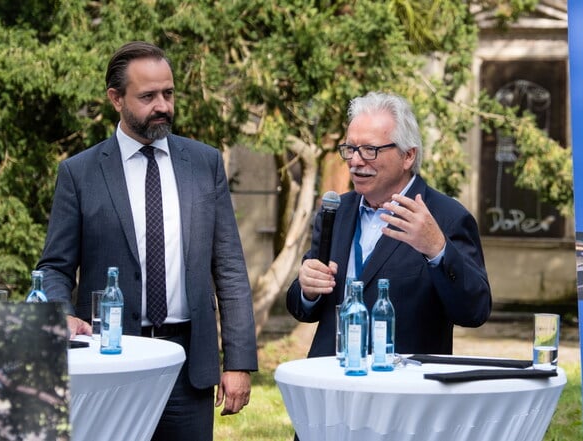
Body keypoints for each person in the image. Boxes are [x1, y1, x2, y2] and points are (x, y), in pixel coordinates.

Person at [36, 41, 257, 441]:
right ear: (115, 98)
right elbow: (53, 267)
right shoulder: (80, 173)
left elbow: (229, 267)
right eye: (148, 96)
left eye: (168, 94)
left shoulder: (204, 163)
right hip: (111, 362)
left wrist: (238, 361)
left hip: (187, 368)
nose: (163, 106)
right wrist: (60, 314)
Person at [286, 91, 492, 359]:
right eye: (350, 149)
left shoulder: (446, 217)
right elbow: (303, 307)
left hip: (403, 387)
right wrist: (307, 289)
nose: (356, 161)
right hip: (333, 379)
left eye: (370, 150)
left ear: (408, 156)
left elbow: (475, 311)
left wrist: (438, 250)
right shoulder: (335, 211)